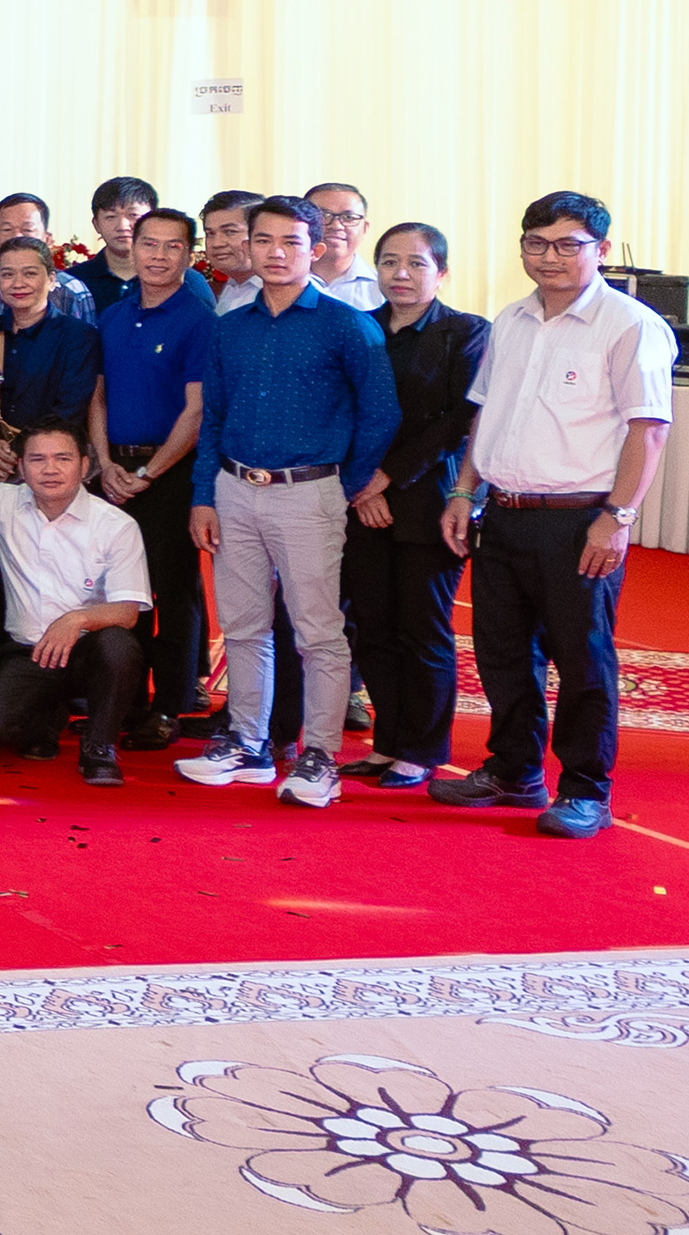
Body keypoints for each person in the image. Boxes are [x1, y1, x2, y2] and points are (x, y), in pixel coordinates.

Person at [430, 192, 674, 841]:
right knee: (503, 654)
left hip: (580, 521)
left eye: (569, 244)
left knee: (583, 660)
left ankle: (585, 790)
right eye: (536, 244)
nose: (550, 257)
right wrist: (464, 491)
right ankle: (514, 771)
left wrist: (618, 517)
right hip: (503, 514)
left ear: (601, 249)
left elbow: (648, 430)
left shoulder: (629, 325)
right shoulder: (511, 319)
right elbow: (488, 414)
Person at [176, 198, 398, 811]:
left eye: (291, 242)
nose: (276, 253)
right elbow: (213, 418)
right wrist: (204, 495)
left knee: (318, 631)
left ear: (316, 249)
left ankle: (320, 755)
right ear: (248, 246)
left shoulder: (347, 325)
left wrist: (345, 485)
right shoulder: (231, 327)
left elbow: (381, 413)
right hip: (234, 488)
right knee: (243, 625)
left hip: (311, 492)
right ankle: (248, 744)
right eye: (264, 240)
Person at [344, 223, 482, 791]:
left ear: (441, 273)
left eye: (417, 263)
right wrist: (364, 486)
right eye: (389, 261)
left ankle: (422, 750)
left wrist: (388, 477)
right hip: (361, 501)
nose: (400, 273)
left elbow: (458, 420)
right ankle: (388, 743)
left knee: (422, 628)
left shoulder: (466, 333)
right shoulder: (359, 328)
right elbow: (342, 411)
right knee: (371, 626)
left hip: (431, 502)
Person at [0, 425, 149, 782]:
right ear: (21, 468)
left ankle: (99, 746)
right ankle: (46, 719)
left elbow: (128, 612)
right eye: (37, 459)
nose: (50, 469)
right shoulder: (1, 503)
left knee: (119, 646)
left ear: (84, 466)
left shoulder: (116, 526)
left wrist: (74, 620)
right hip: (29, 652)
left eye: (62, 459)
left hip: (88, 651)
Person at [88, 207, 214, 748]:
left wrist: (148, 471)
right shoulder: (114, 314)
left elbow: (197, 410)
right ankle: (127, 700)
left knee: (173, 592)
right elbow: (97, 395)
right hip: (113, 472)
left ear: (190, 254)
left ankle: (170, 706)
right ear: (131, 248)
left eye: (172, 246)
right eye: (149, 244)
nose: (158, 256)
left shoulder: (200, 319)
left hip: (170, 475)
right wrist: (104, 463)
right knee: (119, 590)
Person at [0, 238, 101, 476]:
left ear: (52, 280)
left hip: (49, 463)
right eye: (7, 274)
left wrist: (15, 452)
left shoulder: (78, 336)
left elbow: (69, 410)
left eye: (30, 273)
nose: (18, 283)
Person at [0, 194, 95, 322]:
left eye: (27, 229)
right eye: (7, 229)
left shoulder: (72, 291)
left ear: (47, 239)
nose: (16, 236)